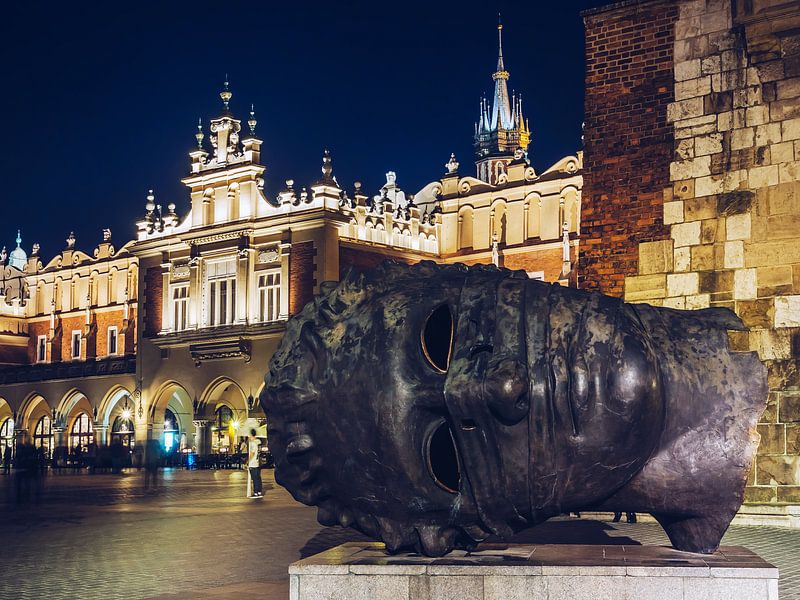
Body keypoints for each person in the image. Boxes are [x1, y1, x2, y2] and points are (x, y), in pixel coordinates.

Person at [248, 429, 263, 498]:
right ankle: (259, 491)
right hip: (258, 462)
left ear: (251, 435)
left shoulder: (252, 443)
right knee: (258, 478)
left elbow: (252, 453)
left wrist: (248, 462)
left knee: (254, 478)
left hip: (253, 462)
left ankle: (256, 492)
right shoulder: (258, 442)